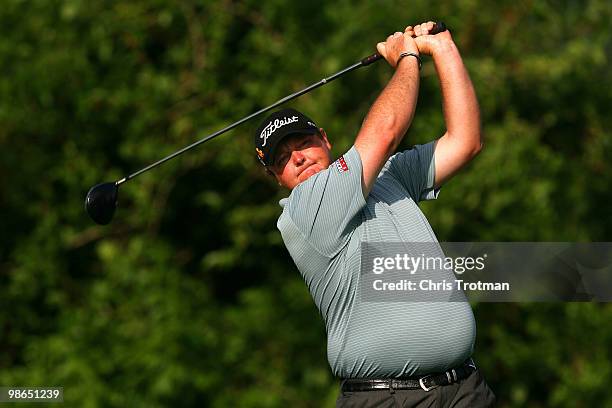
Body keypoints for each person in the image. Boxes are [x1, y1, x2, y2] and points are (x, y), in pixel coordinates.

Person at [253, 21, 495, 407]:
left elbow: (465, 141)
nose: (297, 157)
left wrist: (443, 48)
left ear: (326, 140)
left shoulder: (389, 176)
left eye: (304, 143)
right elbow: (384, 131)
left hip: (465, 388)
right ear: (276, 178)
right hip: (387, 399)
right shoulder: (304, 210)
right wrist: (409, 58)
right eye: (282, 158)